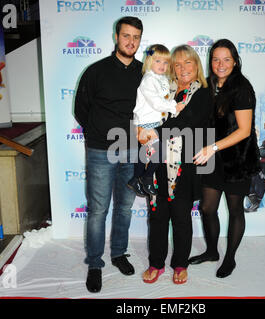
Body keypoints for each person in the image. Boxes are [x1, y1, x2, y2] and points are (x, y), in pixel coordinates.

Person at [74, 16, 143, 293]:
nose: (131, 42)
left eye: (136, 37)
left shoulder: (145, 72)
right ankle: (94, 263)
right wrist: (97, 135)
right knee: (98, 210)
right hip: (101, 150)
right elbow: (81, 109)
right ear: (117, 36)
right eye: (126, 36)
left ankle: (118, 253)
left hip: (132, 150)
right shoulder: (96, 71)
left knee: (124, 208)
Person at [138, 45, 213, 285]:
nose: (182, 69)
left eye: (187, 63)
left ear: (196, 65)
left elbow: (186, 123)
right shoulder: (162, 89)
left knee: (181, 216)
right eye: (177, 64)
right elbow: (142, 113)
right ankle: (156, 263)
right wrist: (140, 130)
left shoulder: (201, 93)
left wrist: (152, 132)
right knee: (157, 216)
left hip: (184, 164)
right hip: (157, 162)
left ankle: (180, 263)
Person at [189, 39, 260, 278]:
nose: (221, 64)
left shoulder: (241, 87)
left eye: (226, 59)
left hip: (237, 160)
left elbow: (244, 130)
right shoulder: (207, 84)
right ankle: (211, 251)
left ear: (235, 61)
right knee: (207, 208)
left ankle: (229, 258)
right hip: (211, 156)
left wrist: (213, 148)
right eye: (216, 59)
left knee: (235, 208)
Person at [128, 44, 186, 197]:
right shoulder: (148, 79)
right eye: (158, 61)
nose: (162, 65)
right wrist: (174, 107)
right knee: (159, 153)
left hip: (155, 122)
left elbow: (165, 95)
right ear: (149, 61)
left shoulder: (161, 79)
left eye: (166, 62)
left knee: (144, 153)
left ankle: (135, 178)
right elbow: (156, 102)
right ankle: (146, 177)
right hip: (147, 122)